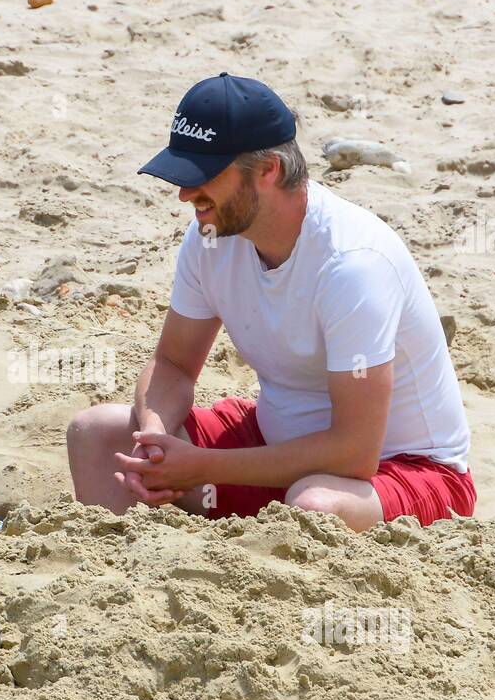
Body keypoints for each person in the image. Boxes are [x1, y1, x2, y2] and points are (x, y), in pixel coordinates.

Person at [66, 73, 474, 532]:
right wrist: (156, 438)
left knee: (314, 506)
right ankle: (124, 585)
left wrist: (201, 467)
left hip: (401, 470)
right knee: (97, 434)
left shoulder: (352, 264)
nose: (184, 194)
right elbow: (174, 366)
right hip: (276, 450)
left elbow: (355, 452)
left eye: (203, 176)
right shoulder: (211, 236)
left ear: (268, 170)